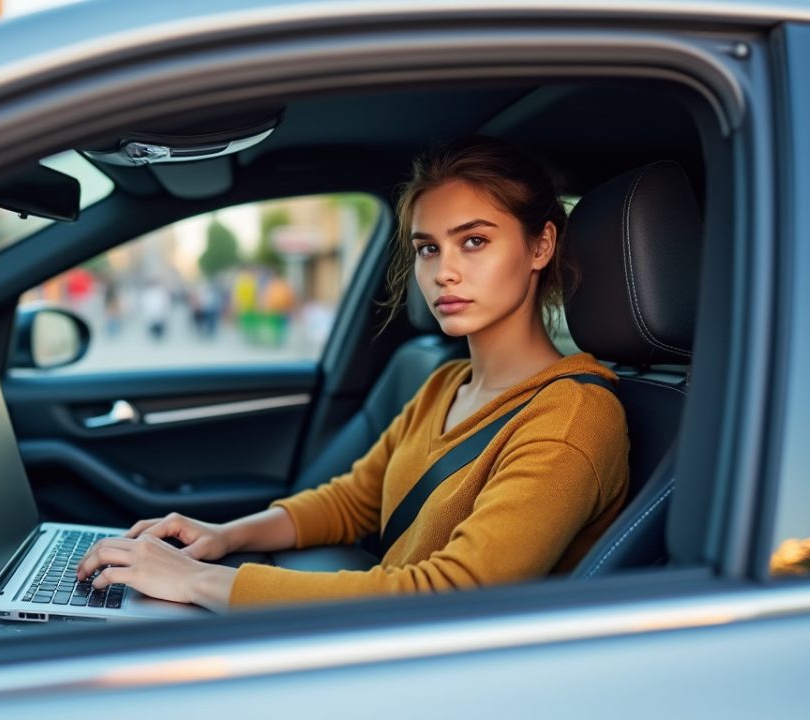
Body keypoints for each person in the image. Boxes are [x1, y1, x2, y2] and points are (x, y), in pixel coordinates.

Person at [76, 136, 629, 612]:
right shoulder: (445, 384)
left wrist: (194, 580)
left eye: (475, 241)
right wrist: (223, 536)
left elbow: (449, 598)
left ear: (540, 245)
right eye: (428, 249)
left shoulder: (571, 419)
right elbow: (352, 502)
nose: (445, 272)